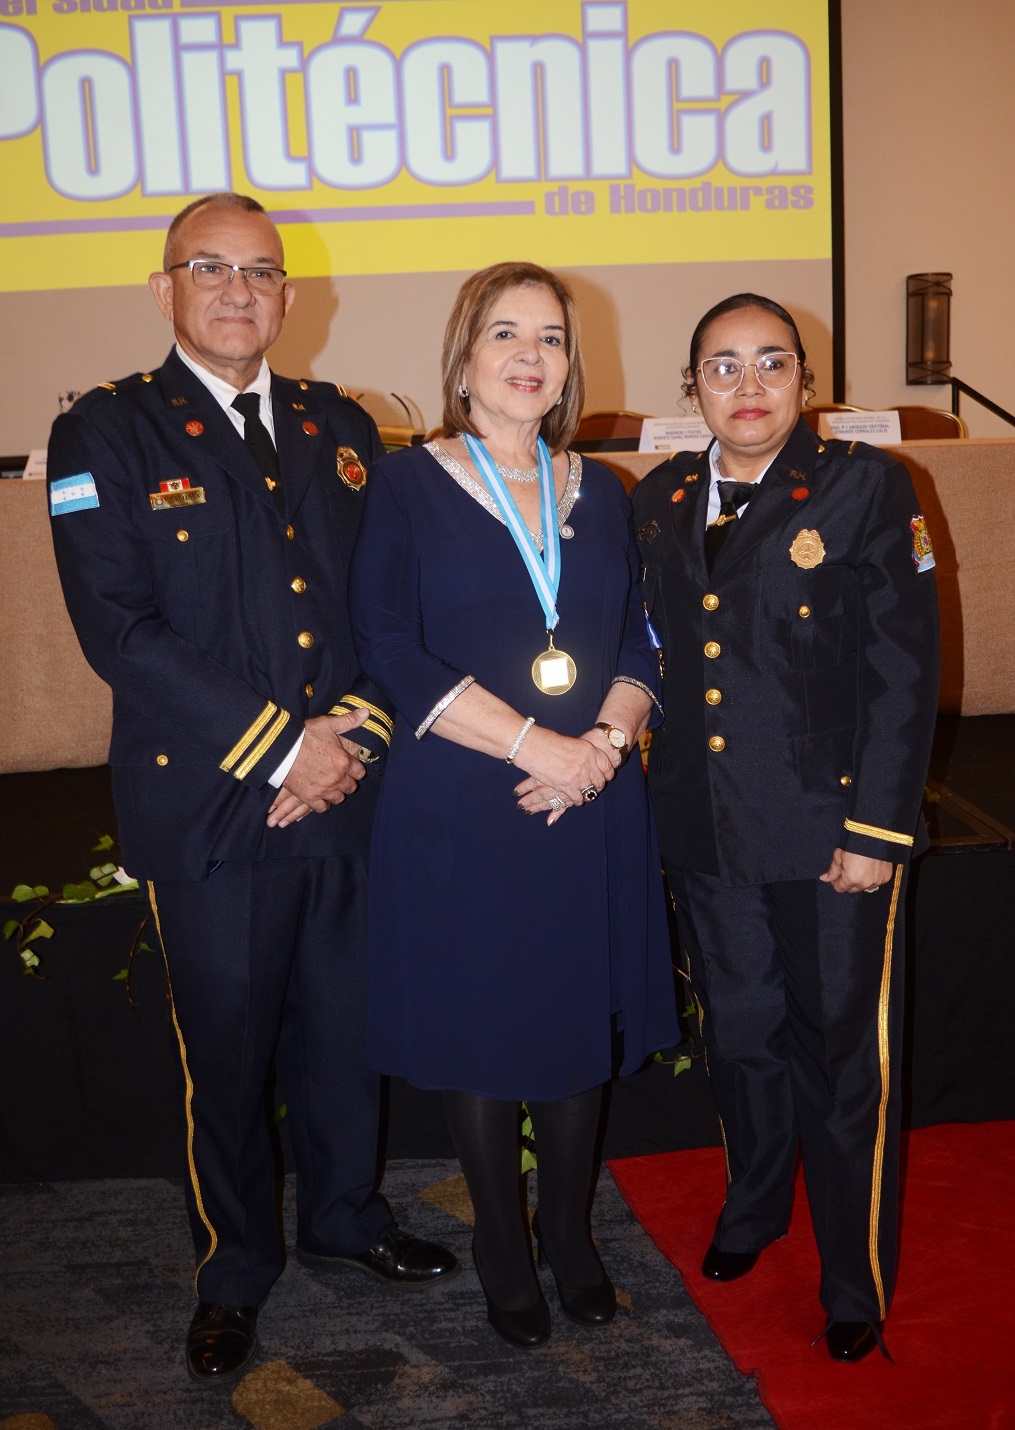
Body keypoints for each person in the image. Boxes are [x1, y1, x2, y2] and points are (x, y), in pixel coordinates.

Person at [46, 192, 456, 1385]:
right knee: (224, 1056)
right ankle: (232, 1270)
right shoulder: (108, 434)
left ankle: (344, 1214)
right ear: (165, 287)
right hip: (214, 806)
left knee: (344, 1034)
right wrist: (288, 747)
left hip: (347, 797)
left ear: (290, 296)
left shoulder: (343, 426)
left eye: (261, 272)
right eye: (210, 268)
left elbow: (389, 611)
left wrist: (358, 741)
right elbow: (119, 631)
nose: (238, 290)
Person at [349, 261, 677, 1348]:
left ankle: (569, 1237)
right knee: (485, 1027)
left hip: (588, 797)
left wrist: (603, 743)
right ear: (463, 355)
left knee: (576, 1022)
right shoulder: (404, 484)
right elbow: (386, 644)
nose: (530, 355)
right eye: (505, 333)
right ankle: (501, 1236)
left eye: (550, 336)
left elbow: (642, 638)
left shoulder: (606, 491)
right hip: (464, 801)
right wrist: (538, 741)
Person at [632, 293, 940, 1362]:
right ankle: (756, 1204)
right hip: (707, 832)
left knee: (840, 1054)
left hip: (826, 838)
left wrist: (876, 831)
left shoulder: (864, 488)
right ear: (693, 388)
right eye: (721, 365)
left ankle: (852, 1270)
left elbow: (902, 676)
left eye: (770, 363)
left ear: (806, 380)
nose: (747, 385)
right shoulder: (660, 495)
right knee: (744, 1035)